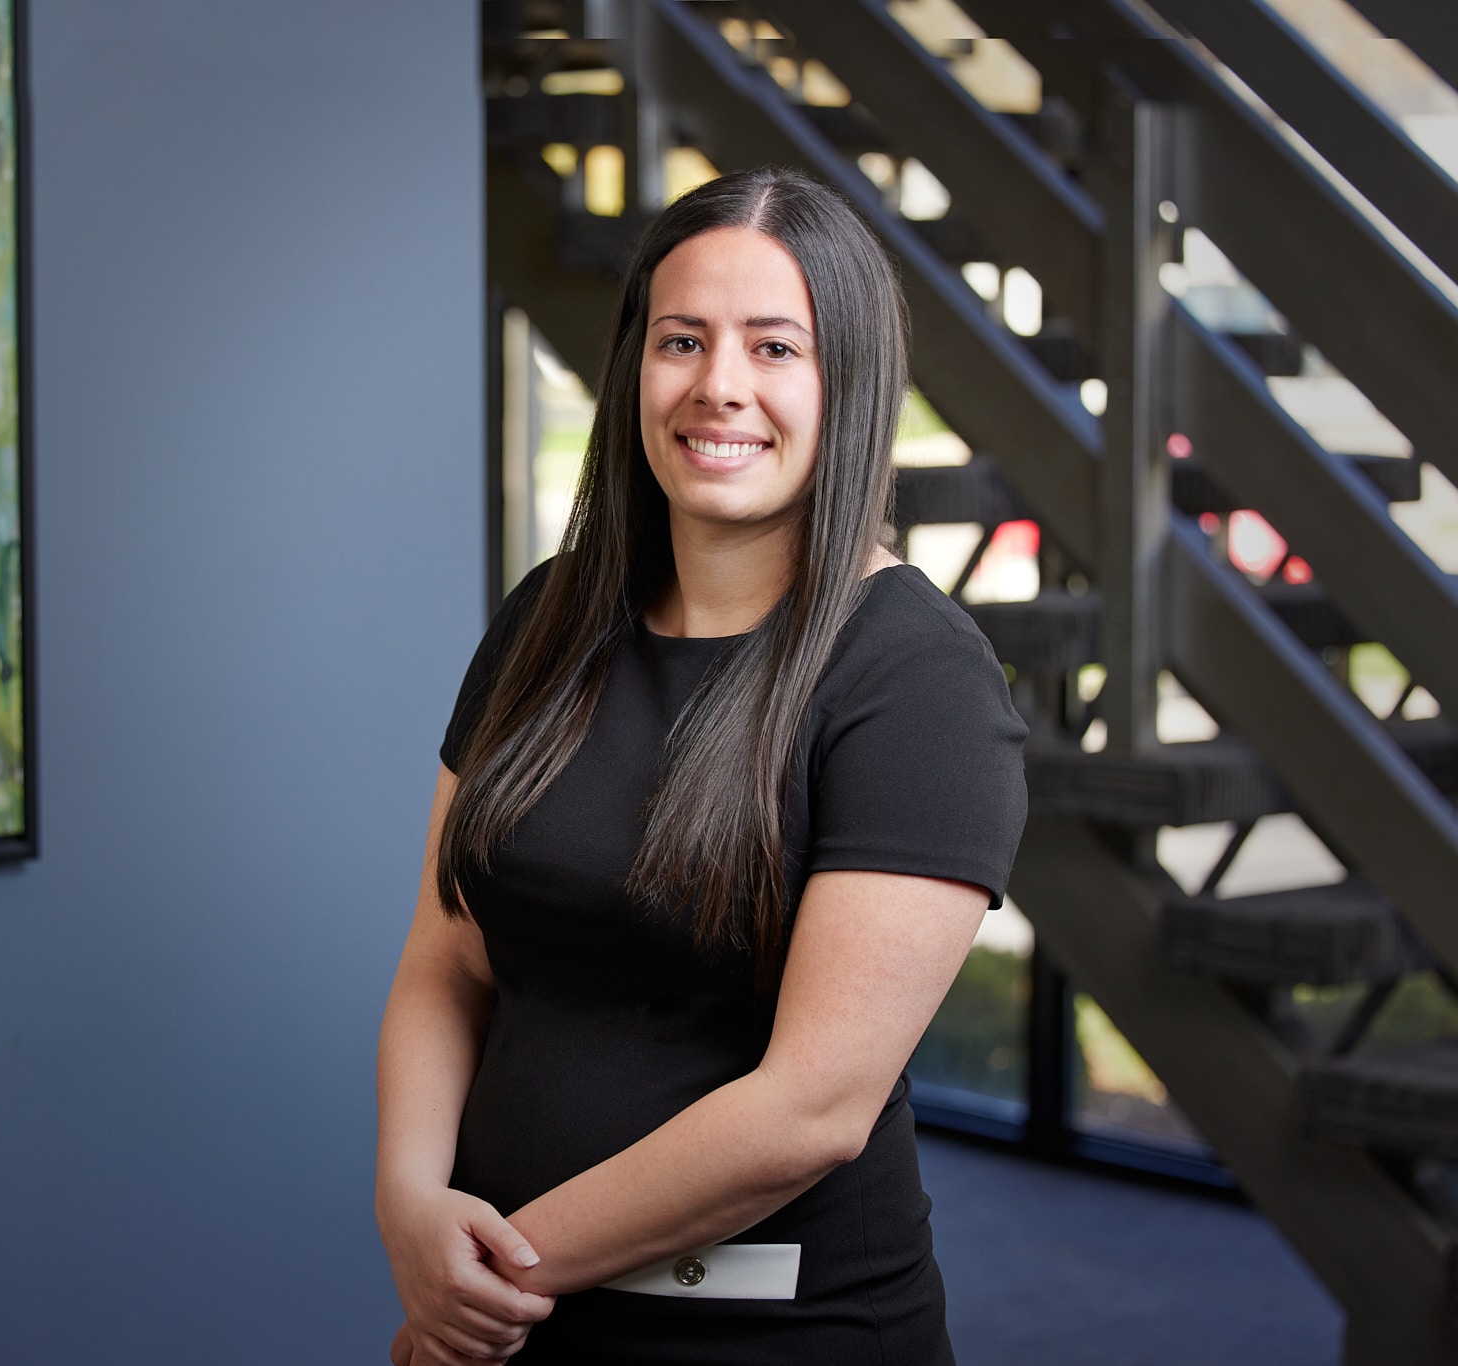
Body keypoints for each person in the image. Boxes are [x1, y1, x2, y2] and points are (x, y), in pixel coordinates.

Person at [375, 167, 1028, 1364]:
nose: (717, 385)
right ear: (634, 367)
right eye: (682, 340)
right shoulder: (545, 619)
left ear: (850, 384)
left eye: (775, 347)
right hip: (511, 1319)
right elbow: (444, 965)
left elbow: (811, 1110)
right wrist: (411, 1210)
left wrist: (485, 1278)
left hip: (766, 1330)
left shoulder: (916, 679)